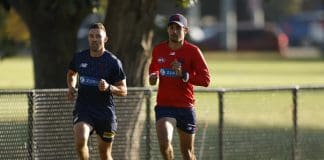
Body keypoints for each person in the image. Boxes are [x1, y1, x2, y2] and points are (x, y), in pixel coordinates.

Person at [148, 14, 210, 160]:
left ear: (185, 30)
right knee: (164, 145)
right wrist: (153, 77)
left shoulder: (193, 51)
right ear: (168, 30)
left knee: (187, 153)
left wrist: (184, 74)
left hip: (185, 107)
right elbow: (154, 70)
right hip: (164, 106)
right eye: (171, 27)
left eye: (178, 28)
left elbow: (206, 80)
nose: (174, 31)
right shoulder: (158, 50)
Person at [66, 22, 127, 160]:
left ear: (105, 39)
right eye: (91, 36)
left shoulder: (113, 62)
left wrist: (109, 87)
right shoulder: (80, 57)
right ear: (88, 38)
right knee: (80, 139)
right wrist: (71, 87)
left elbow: (124, 90)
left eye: (98, 36)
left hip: (105, 112)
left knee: (105, 154)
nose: (94, 39)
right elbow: (71, 73)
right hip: (84, 108)